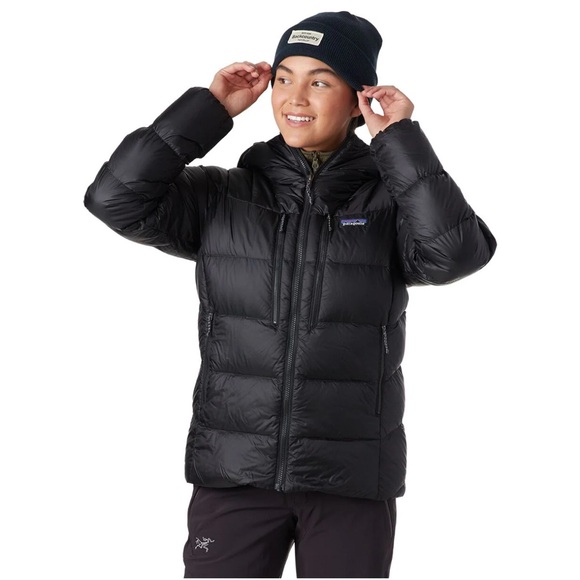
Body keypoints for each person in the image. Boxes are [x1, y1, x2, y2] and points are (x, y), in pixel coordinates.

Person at [84, 10, 497, 579]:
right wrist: (208, 109)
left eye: (320, 81)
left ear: (359, 100)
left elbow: (457, 253)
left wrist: (398, 138)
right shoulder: (222, 197)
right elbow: (113, 199)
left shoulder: (387, 207)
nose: (294, 98)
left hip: (350, 477)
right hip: (234, 474)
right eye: (284, 78)